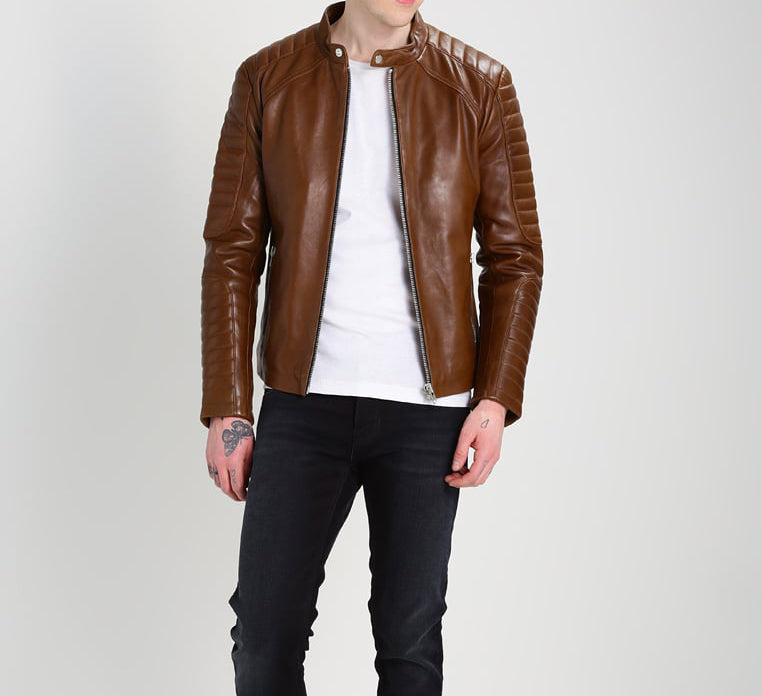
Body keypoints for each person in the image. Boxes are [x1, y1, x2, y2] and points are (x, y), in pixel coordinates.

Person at [199, 1, 544, 693]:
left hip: (429, 415)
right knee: (263, 638)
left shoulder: (480, 85)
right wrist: (228, 406)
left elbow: (516, 257)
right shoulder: (268, 78)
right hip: (303, 403)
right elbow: (232, 251)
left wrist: (495, 399)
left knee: (408, 646)